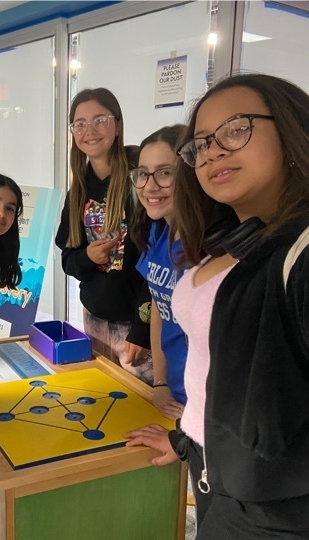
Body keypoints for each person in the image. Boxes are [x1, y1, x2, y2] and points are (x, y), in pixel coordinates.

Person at [128, 73, 309, 540]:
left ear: (295, 134)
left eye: (236, 129)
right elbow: (224, 374)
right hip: (219, 472)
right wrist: (188, 439)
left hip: (284, 508)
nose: (212, 152)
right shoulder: (229, 239)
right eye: (200, 144)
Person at [55, 88, 152, 383]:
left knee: (143, 406)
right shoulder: (79, 190)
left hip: (137, 326)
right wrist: (87, 256)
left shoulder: (140, 180)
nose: (90, 131)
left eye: (100, 120)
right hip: (94, 320)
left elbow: (160, 259)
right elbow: (68, 259)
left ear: (118, 125)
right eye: (80, 124)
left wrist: (143, 328)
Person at [129, 125, 188, 420]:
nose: (149, 186)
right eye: (143, 174)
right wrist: (161, 382)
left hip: (207, 403)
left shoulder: (211, 247)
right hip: (173, 390)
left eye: (165, 173)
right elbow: (158, 308)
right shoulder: (157, 231)